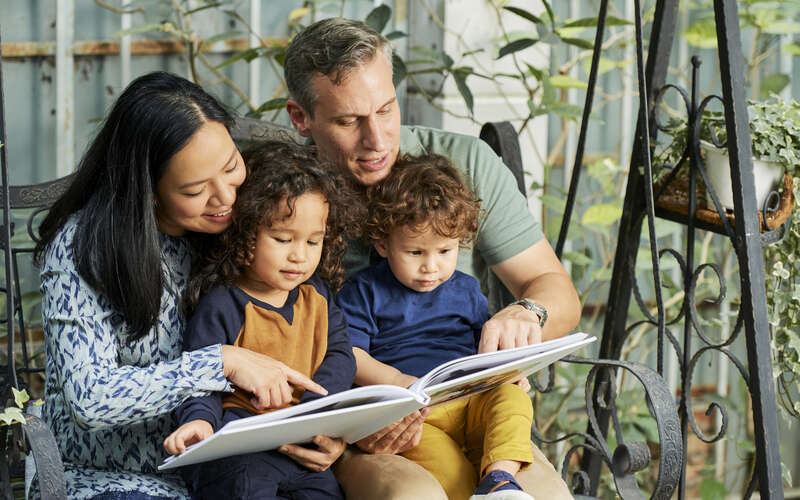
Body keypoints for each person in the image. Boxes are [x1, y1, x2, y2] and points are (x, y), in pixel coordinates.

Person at [283, 17, 582, 499]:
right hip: (361, 428)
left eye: (386, 109)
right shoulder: (283, 196)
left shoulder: (462, 165)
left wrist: (528, 314)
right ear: (301, 118)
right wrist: (339, 426)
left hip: (473, 409)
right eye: (348, 121)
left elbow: (554, 289)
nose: (377, 140)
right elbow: (255, 332)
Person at [33, 72, 338, 500]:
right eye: (195, 189)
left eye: (231, 167)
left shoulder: (239, 224)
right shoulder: (82, 246)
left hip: (233, 466)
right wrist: (221, 362)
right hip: (112, 478)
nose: (225, 198)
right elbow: (90, 397)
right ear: (149, 191)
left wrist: (321, 430)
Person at [163, 139, 359, 499]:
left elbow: (340, 355)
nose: (299, 256)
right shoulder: (222, 304)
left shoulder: (318, 296)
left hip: (302, 446)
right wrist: (198, 422)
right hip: (238, 452)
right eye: (283, 238)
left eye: (313, 242)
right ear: (245, 232)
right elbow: (200, 375)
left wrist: (319, 408)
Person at [336, 154, 536, 500]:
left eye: (445, 250)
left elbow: (484, 346)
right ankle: (476, 489)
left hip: (471, 397)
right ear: (383, 244)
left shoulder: (466, 289)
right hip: (415, 413)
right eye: (415, 252)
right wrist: (396, 381)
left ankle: (500, 481)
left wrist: (508, 370)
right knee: (452, 476)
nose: (431, 266)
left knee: (513, 399)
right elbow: (348, 354)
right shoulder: (364, 291)